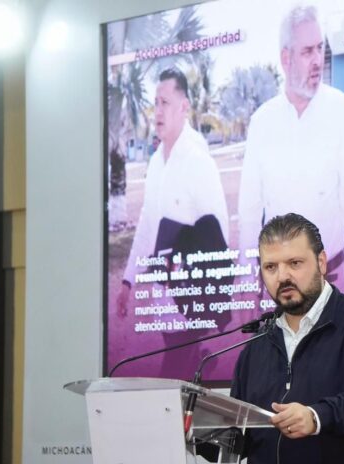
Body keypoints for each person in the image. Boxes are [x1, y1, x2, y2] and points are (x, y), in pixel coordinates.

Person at [231, 213, 344, 464]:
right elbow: (241, 439)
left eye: (294, 263)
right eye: (271, 267)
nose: (282, 276)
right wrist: (200, 432)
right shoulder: (256, 346)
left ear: (321, 262)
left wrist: (317, 417)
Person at [237, 4, 344, 299]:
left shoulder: (340, 110)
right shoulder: (262, 123)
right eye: (307, 51)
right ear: (286, 58)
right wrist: (246, 281)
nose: (317, 60)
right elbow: (249, 213)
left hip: (331, 281)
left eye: (320, 48)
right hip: (280, 286)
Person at [116, 67, 230, 378]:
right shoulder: (156, 163)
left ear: (184, 107)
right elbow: (147, 223)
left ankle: (198, 360)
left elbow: (218, 234)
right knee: (179, 364)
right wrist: (128, 281)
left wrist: (205, 291)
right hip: (162, 295)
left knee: (172, 377)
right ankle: (201, 360)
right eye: (156, 102)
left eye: (165, 103)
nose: (157, 111)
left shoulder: (197, 161)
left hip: (189, 296)